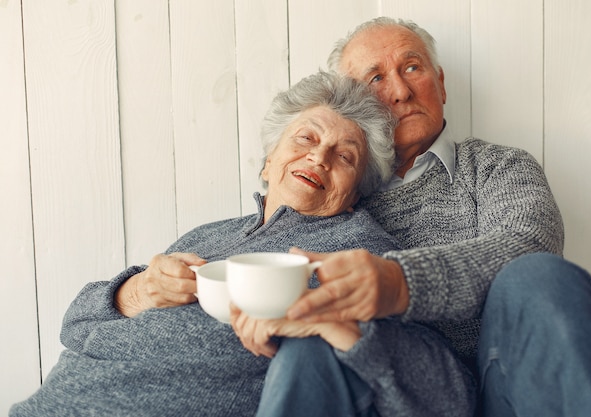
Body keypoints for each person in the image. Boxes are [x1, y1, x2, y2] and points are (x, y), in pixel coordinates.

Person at [10, 71, 475, 417]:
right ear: (269, 161)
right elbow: (73, 326)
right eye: (306, 138)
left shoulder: (358, 254)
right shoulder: (207, 236)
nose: (318, 156)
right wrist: (137, 291)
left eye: (344, 156)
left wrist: (334, 323)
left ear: (355, 193)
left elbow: (450, 391)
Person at [249, 17, 591, 417]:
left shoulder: (496, 166)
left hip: (504, 382)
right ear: (349, 102)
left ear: (441, 82)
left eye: (413, 67)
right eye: (375, 78)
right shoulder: (333, 187)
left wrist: (400, 280)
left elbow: (529, 242)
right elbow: (263, 242)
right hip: (378, 387)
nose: (400, 90)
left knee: (540, 275)